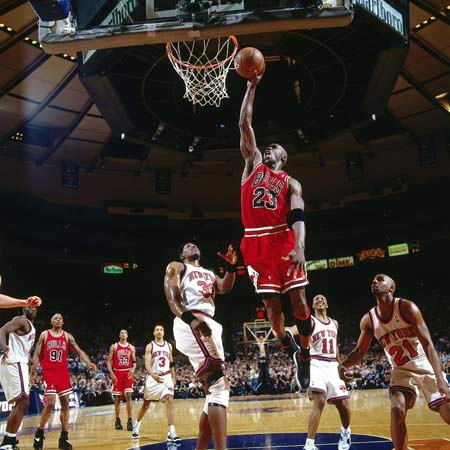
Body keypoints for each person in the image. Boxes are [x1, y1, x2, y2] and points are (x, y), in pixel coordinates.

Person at [239, 72, 312, 389]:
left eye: (274, 149)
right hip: (255, 242)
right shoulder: (252, 165)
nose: (267, 149)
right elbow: (244, 125)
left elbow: (297, 215)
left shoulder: (291, 182)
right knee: (272, 311)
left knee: (300, 303)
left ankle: (305, 354)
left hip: (283, 239)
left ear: (283, 157)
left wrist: (300, 246)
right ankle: (285, 341)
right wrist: (250, 88)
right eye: (266, 147)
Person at [339, 274, 450, 450]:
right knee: (397, 408)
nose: (374, 281)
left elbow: (428, 343)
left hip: (423, 363)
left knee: (446, 408)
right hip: (400, 369)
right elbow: (360, 351)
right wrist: (343, 365)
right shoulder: (369, 320)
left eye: (380, 279)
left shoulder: (406, 307)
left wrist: (440, 378)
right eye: (373, 280)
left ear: (391, 287)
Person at [164, 242, 237, 450]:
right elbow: (173, 299)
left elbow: (224, 288)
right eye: (187, 246)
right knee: (218, 384)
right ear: (181, 254)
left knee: (214, 389)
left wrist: (231, 267)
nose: (192, 246)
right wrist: (191, 320)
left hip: (207, 322)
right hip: (192, 319)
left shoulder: (208, 273)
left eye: (194, 245)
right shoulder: (177, 266)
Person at [286, 294, 351, 450]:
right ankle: (309, 444)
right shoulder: (310, 321)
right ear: (313, 306)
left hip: (332, 364)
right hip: (315, 362)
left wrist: (341, 366)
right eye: (316, 300)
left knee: (343, 404)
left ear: (327, 304)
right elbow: (293, 330)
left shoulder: (335, 323)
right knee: (319, 400)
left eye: (322, 299)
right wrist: (283, 331)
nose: (320, 300)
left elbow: (335, 346)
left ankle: (345, 432)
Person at [32, 313, 97, 450]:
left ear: (62, 323)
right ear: (51, 322)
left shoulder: (67, 336)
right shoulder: (45, 334)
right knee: (50, 403)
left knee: (65, 404)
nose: (58, 320)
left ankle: (64, 438)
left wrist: (88, 362)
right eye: (55, 318)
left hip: (62, 373)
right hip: (49, 372)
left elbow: (78, 351)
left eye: (60, 318)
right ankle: (39, 432)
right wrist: (33, 370)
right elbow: (37, 353)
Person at [131, 324, 181, 444]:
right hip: (154, 377)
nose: (159, 331)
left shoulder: (168, 345)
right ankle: (136, 424)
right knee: (146, 404)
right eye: (157, 330)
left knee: (169, 400)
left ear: (163, 332)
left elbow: (171, 362)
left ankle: (171, 432)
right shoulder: (150, 346)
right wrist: (153, 375)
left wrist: (173, 377)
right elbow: (147, 364)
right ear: (154, 333)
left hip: (166, 377)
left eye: (161, 329)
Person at [0, 306, 38, 450]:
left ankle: (8, 441)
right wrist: (4, 347)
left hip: (19, 362)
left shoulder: (30, 326)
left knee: (21, 402)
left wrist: (30, 360)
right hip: (14, 362)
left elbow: (22, 347)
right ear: (23, 309)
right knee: (23, 401)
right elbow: (2, 330)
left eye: (34, 307)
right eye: (29, 306)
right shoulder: (21, 320)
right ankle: (8, 442)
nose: (32, 308)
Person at [107, 329, 136, 431]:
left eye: (125, 333)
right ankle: (117, 420)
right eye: (121, 333)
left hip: (127, 373)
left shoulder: (131, 347)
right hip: (117, 373)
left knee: (128, 395)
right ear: (119, 335)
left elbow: (134, 363)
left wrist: (133, 369)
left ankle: (130, 421)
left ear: (127, 335)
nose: (123, 334)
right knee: (118, 397)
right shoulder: (114, 346)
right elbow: (108, 362)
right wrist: (112, 374)